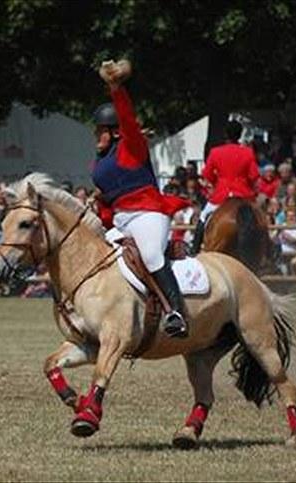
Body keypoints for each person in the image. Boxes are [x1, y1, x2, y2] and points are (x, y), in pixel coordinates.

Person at [91, 59, 190, 338]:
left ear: (114, 131)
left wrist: (115, 88)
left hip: (147, 214)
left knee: (150, 254)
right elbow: (108, 203)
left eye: (100, 130)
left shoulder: (131, 145)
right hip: (120, 221)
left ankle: (176, 312)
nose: (96, 135)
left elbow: (127, 117)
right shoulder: (99, 163)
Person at [193, 119, 259, 253]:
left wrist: (216, 181)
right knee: (259, 218)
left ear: (225, 135)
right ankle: (269, 252)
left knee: (203, 217)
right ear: (239, 135)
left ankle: (194, 248)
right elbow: (253, 176)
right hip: (243, 194)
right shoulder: (248, 152)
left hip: (221, 194)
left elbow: (207, 175)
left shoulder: (215, 152)